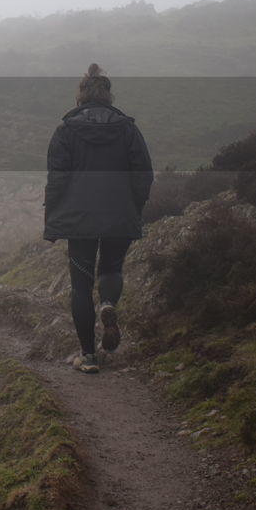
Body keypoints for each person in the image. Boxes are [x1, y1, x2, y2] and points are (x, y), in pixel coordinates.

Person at [43, 64, 153, 373]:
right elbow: (143, 174)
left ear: (80, 97)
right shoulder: (128, 128)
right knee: (111, 267)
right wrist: (134, 206)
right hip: (119, 213)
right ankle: (108, 303)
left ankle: (88, 357)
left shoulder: (66, 130)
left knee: (80, 284)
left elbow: (57, 179)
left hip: (79, 220)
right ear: (108, 96)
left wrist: (52, 217)